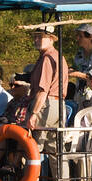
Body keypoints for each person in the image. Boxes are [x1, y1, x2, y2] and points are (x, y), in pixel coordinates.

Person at [26, 25, 68, 156]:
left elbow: (43, 90)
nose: (36, 40)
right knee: (56, 152)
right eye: (36, 37)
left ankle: (33, 177)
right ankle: (63, 177)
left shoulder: (47, 58)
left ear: (51, 39)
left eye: (40, 37)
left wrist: (34, 113)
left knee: (33, 148)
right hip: (59, 105)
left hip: (46, 105)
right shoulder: (59, 56)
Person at [68, 23, 92, 103]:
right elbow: (75, 68)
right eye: (77, 35)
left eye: (80, 36)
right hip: (79, 94)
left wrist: (77, 74)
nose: (77, 38)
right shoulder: (79, 53)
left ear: (90, 37)